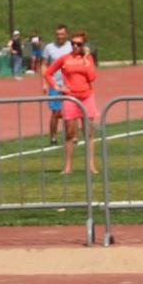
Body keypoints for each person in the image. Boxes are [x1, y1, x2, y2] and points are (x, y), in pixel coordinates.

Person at [44, 31, 100, 176]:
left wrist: (87, 59)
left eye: (79, 44)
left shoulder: (88, 59)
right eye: (73, 43)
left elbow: (92, 77)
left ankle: (91, 166)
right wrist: (57, 87)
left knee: (89, 133)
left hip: (87, 97)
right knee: (69, 133)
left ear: (84, 45)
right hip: (70, 98)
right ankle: (68, 166)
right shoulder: (64, 59)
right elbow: (48, 73)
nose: (75, 46)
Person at [39, 24, 74, 143]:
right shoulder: (49, 47)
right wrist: (44, 82)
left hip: (69, 84)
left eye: (62, 34)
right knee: (55, 112)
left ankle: (72, 135)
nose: (60, 36)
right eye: (58, 34)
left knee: (72, 111)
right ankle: (53, 137)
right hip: (55, 84)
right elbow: (44, 65)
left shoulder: (71, 46)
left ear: (66, 35)